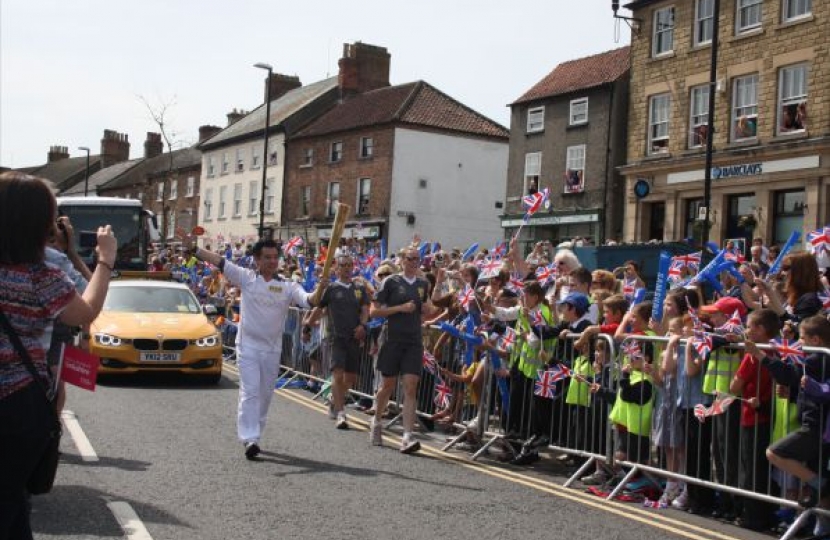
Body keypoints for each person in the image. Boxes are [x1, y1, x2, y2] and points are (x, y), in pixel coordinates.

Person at [0, 172, 116, 540]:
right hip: (18, 403)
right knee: (10, 501)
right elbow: (85, 312)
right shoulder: (41, 274)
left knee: (13, 509)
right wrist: (106, 260)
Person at [192, 239, 322, 459]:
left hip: (272, 349)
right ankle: (250, 438)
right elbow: (220, 261)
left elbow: (309, 301)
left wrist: (321, 289)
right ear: (257, 260)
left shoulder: (288, 285)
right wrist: (195, 250)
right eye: (267, 258)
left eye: (275, 257)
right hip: (248, 346)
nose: (272, 261)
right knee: (250, 391)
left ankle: (255, 433)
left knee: (265, 395)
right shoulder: (247, 277)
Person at [369, 246, 434, 454]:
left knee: (411, 386)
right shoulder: (391, 281)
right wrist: (399, 309)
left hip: (413, 341)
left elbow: (428, 310)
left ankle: (407, 436)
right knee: (387, 386)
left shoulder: (423, 284)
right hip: (392, 339)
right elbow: (374, 311)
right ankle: (377, 421)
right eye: (410, 258)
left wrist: (427, 309)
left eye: (417, 259)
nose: (414, 262)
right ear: (402, 260)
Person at [306, 255, 370, 430]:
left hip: (354, 338)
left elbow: (365, 309)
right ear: (337, 269)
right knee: (338, 375)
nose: (348, 268)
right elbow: (318, 309)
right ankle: (341, 414)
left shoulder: (359, 288)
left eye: (350, 265)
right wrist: (308, 327)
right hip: (336, 338)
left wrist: (363, 325)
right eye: (344, 265)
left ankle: (335, 400)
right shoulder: (331, 289)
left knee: (350, 378)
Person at [729, 309, 777, 530]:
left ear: (760, 330)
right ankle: (765, 515)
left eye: (749, 326)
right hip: (770, 417)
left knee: (751, 469)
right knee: (761, 469)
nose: (746, 330)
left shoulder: (753, 355)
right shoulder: (776, 351)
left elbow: (734, 386)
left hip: (754, 417)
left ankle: (753, 517)